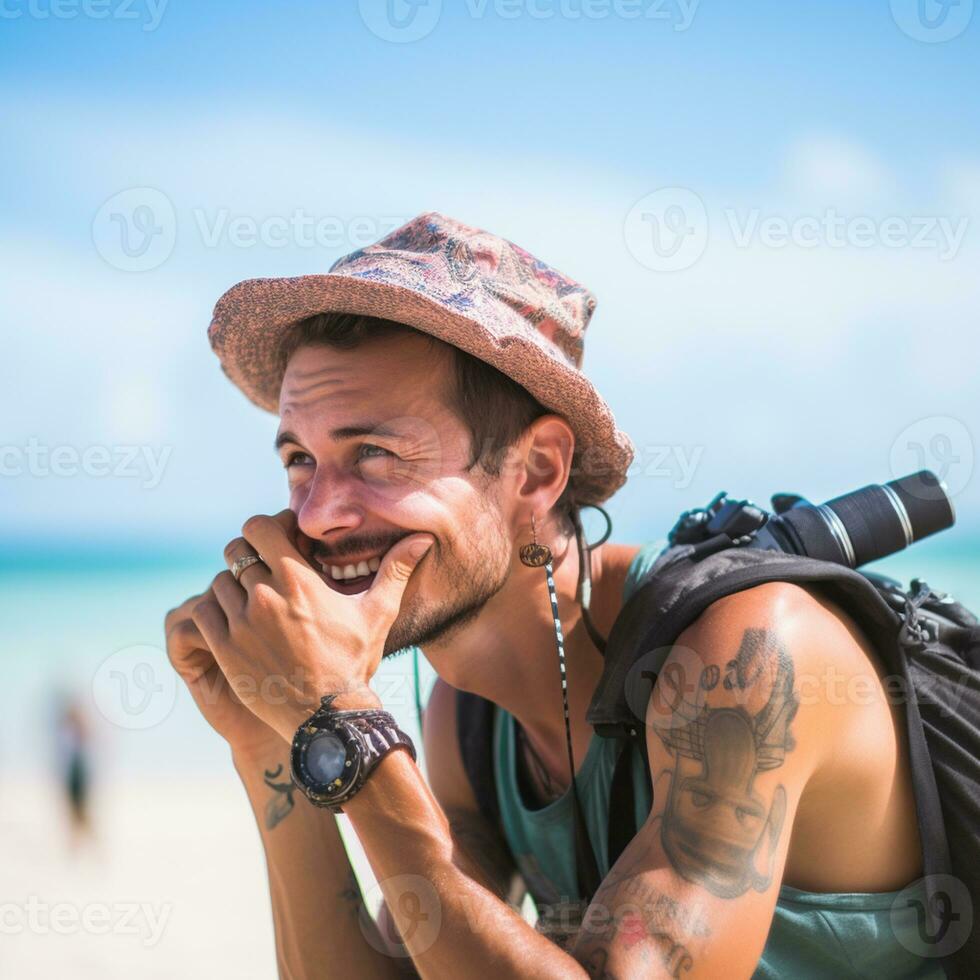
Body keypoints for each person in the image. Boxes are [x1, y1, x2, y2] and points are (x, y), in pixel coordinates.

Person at [165, 213, 939, 978]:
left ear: (536, 471)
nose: (314, 513)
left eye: (375, 453)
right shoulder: (470, 719)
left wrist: (348, 729)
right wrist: (275, 737)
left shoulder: (748, 655)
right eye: (301, 458)